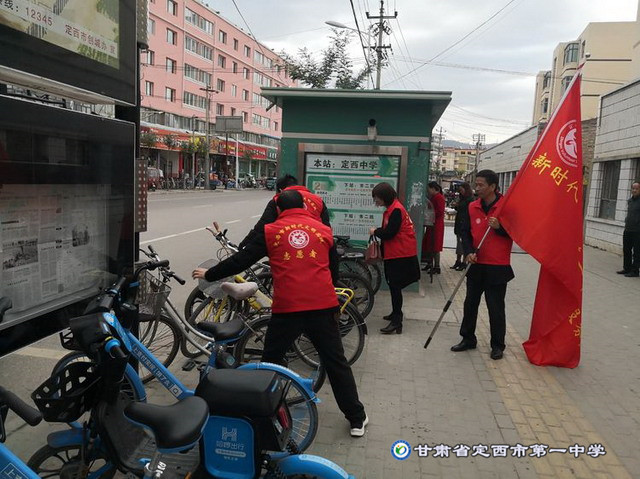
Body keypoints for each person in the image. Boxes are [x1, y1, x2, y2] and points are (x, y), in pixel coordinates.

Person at [192, 190, 368, 437]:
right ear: (304, 207)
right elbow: (333, 272)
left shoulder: (271, 231)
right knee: (336, 363)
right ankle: (357, 419)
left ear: (278, 210)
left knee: (271, 363)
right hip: (322, 306)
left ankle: (264, 416)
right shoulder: (323, 231)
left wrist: (210, 274)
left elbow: (242, 260)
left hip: (288, 309)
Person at [451, 170, 514, 360]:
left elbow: (516, 231)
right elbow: (465, 232)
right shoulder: (473, 206)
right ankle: (468, 338)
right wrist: (468, 251)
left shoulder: (506, 206)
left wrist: (500, 228)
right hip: (476, 263)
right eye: (476, 184)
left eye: (481, 185)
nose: (477, 188)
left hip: (497, 265)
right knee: (470, 303)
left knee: (495, 307)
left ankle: (497, 345)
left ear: (492, 186)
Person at [369, 182, 420, 334]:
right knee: (393, 286)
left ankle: (397, 321)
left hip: (400, 254)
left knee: (395, 286)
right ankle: (395, 313)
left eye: (377, 198)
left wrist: (375, 231)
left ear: (384, 196)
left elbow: (390, 233)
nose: (375, 201)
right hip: (397, 252)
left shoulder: (396, 210)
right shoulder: (393, 208)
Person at [238, 174, 330, 249]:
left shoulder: (278, 200)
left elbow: (261, 227)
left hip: (288, 246)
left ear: (280, 190)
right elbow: (326, 227)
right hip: (316, 246)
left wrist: (243, 245)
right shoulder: (318, 200)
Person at [421, 182, 445, 274]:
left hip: (436, 224)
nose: (428, 191)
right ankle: (430, 263)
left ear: (433, 189)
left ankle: (436, 266)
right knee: (429, 244)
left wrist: (430, 215)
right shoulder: (434, 197)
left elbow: (439, 211)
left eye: (429, 189)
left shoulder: (439, 197)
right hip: (432, 223)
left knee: (435, 246)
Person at [618, 181, 640, 277]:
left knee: (637, 252)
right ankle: (627, 268)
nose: (634, 190)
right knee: (626, 250)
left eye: (636, 188)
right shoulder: (630, 201)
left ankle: (635, 271)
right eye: (633, 188)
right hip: (628, 229)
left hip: (637, 231)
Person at [451, 182, 474, 271]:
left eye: (461, 190)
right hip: (459, 222)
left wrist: (458, 206)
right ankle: (458, 261)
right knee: (458, 244)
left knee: (463, 244)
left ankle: (464, 262)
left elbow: (467, 211)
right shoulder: (462, 198)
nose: (461, 192)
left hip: (464, 223)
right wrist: (456, 206)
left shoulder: (470, 199)